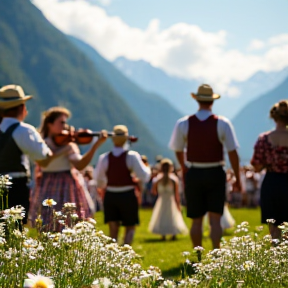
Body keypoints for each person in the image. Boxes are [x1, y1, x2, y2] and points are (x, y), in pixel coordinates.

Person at [169, 84, 241, 249]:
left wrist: (183, 167)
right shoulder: (222, 123)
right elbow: (232, 152)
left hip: (194, 172)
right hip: (216, 172)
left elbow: (178, 149)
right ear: (212, 102)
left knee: (196, 220)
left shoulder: (183, 123)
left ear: (197, 101)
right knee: (215, 219)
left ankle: (198, 256)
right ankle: (216, 254)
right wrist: (237, 178)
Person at [29, 106, 107, 229]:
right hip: (47, 183)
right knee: (47, 223)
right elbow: (43, 162)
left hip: (66, 184)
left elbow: (80, 164)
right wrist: (62, 150)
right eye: (62, 123)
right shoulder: (41, 143)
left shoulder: (69, 144)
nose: (65, 127)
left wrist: (96, 145)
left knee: (69, 222)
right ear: (50, 124)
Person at [0, 85, 67, 224]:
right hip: (15, 186)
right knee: (14, 231)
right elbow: (43, 159)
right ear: (22, 108)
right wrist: (63, 149)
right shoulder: (23, 130)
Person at [94, 125, 151, 245]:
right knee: (130, 227)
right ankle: (126, 253)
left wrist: (108, 184)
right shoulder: (132, 156)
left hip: (111, 195)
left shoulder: (104, 157)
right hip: (128, 195)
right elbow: (144, 176)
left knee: (113, 228)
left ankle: (113, 256)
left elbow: (98, 180)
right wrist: (147, 168)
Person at [251, 100, 288, 239]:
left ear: (274, 117)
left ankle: (277, 257)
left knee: (274, 228)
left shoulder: (264, 139)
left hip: (271, 183)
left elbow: (257, 166)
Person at [148, 158, 188, 240]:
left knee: (162, 216)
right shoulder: (174, 179)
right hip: (171, 201)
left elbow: (153, 192)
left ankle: (163, 235)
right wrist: (178, 204)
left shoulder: (157, 180)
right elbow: (176, 194)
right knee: (172, 216)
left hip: (161, 200)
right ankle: (173, 234)